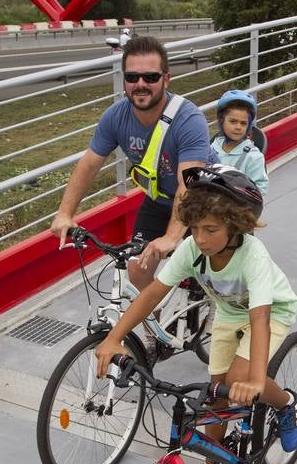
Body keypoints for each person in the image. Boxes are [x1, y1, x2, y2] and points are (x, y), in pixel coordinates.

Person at [93, 165, 297, 464]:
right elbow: (153, 293)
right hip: (228, 311)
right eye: (194, 229)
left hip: (271, 311)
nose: (201, 238)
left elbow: (261, 317)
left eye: (211, 229)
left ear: (236, 225)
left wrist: (254, 379)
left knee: (240, 379)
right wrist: (113, 337)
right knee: (216, 394)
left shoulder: (253, 255)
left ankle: (286, 404)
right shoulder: (193, 249)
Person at [51, 35, 214, 290]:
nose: (140, 84)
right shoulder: (116, 117)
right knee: (137, 268)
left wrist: (171, 238)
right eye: (132, 77)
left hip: (202, 200)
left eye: (150, 77)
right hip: (159, 200)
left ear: (166, 78)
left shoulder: (188, 119)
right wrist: (65, 214)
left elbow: (190, 183)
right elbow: (90, 164)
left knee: (219, 275)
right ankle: (155, 328)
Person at [210, 89, 269, 192]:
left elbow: (260, 190)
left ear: (249, 126)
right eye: (233, 121)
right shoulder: (210, 149)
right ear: (221, 121)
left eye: (243, 123)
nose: (238, 127)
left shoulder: (253, 157)